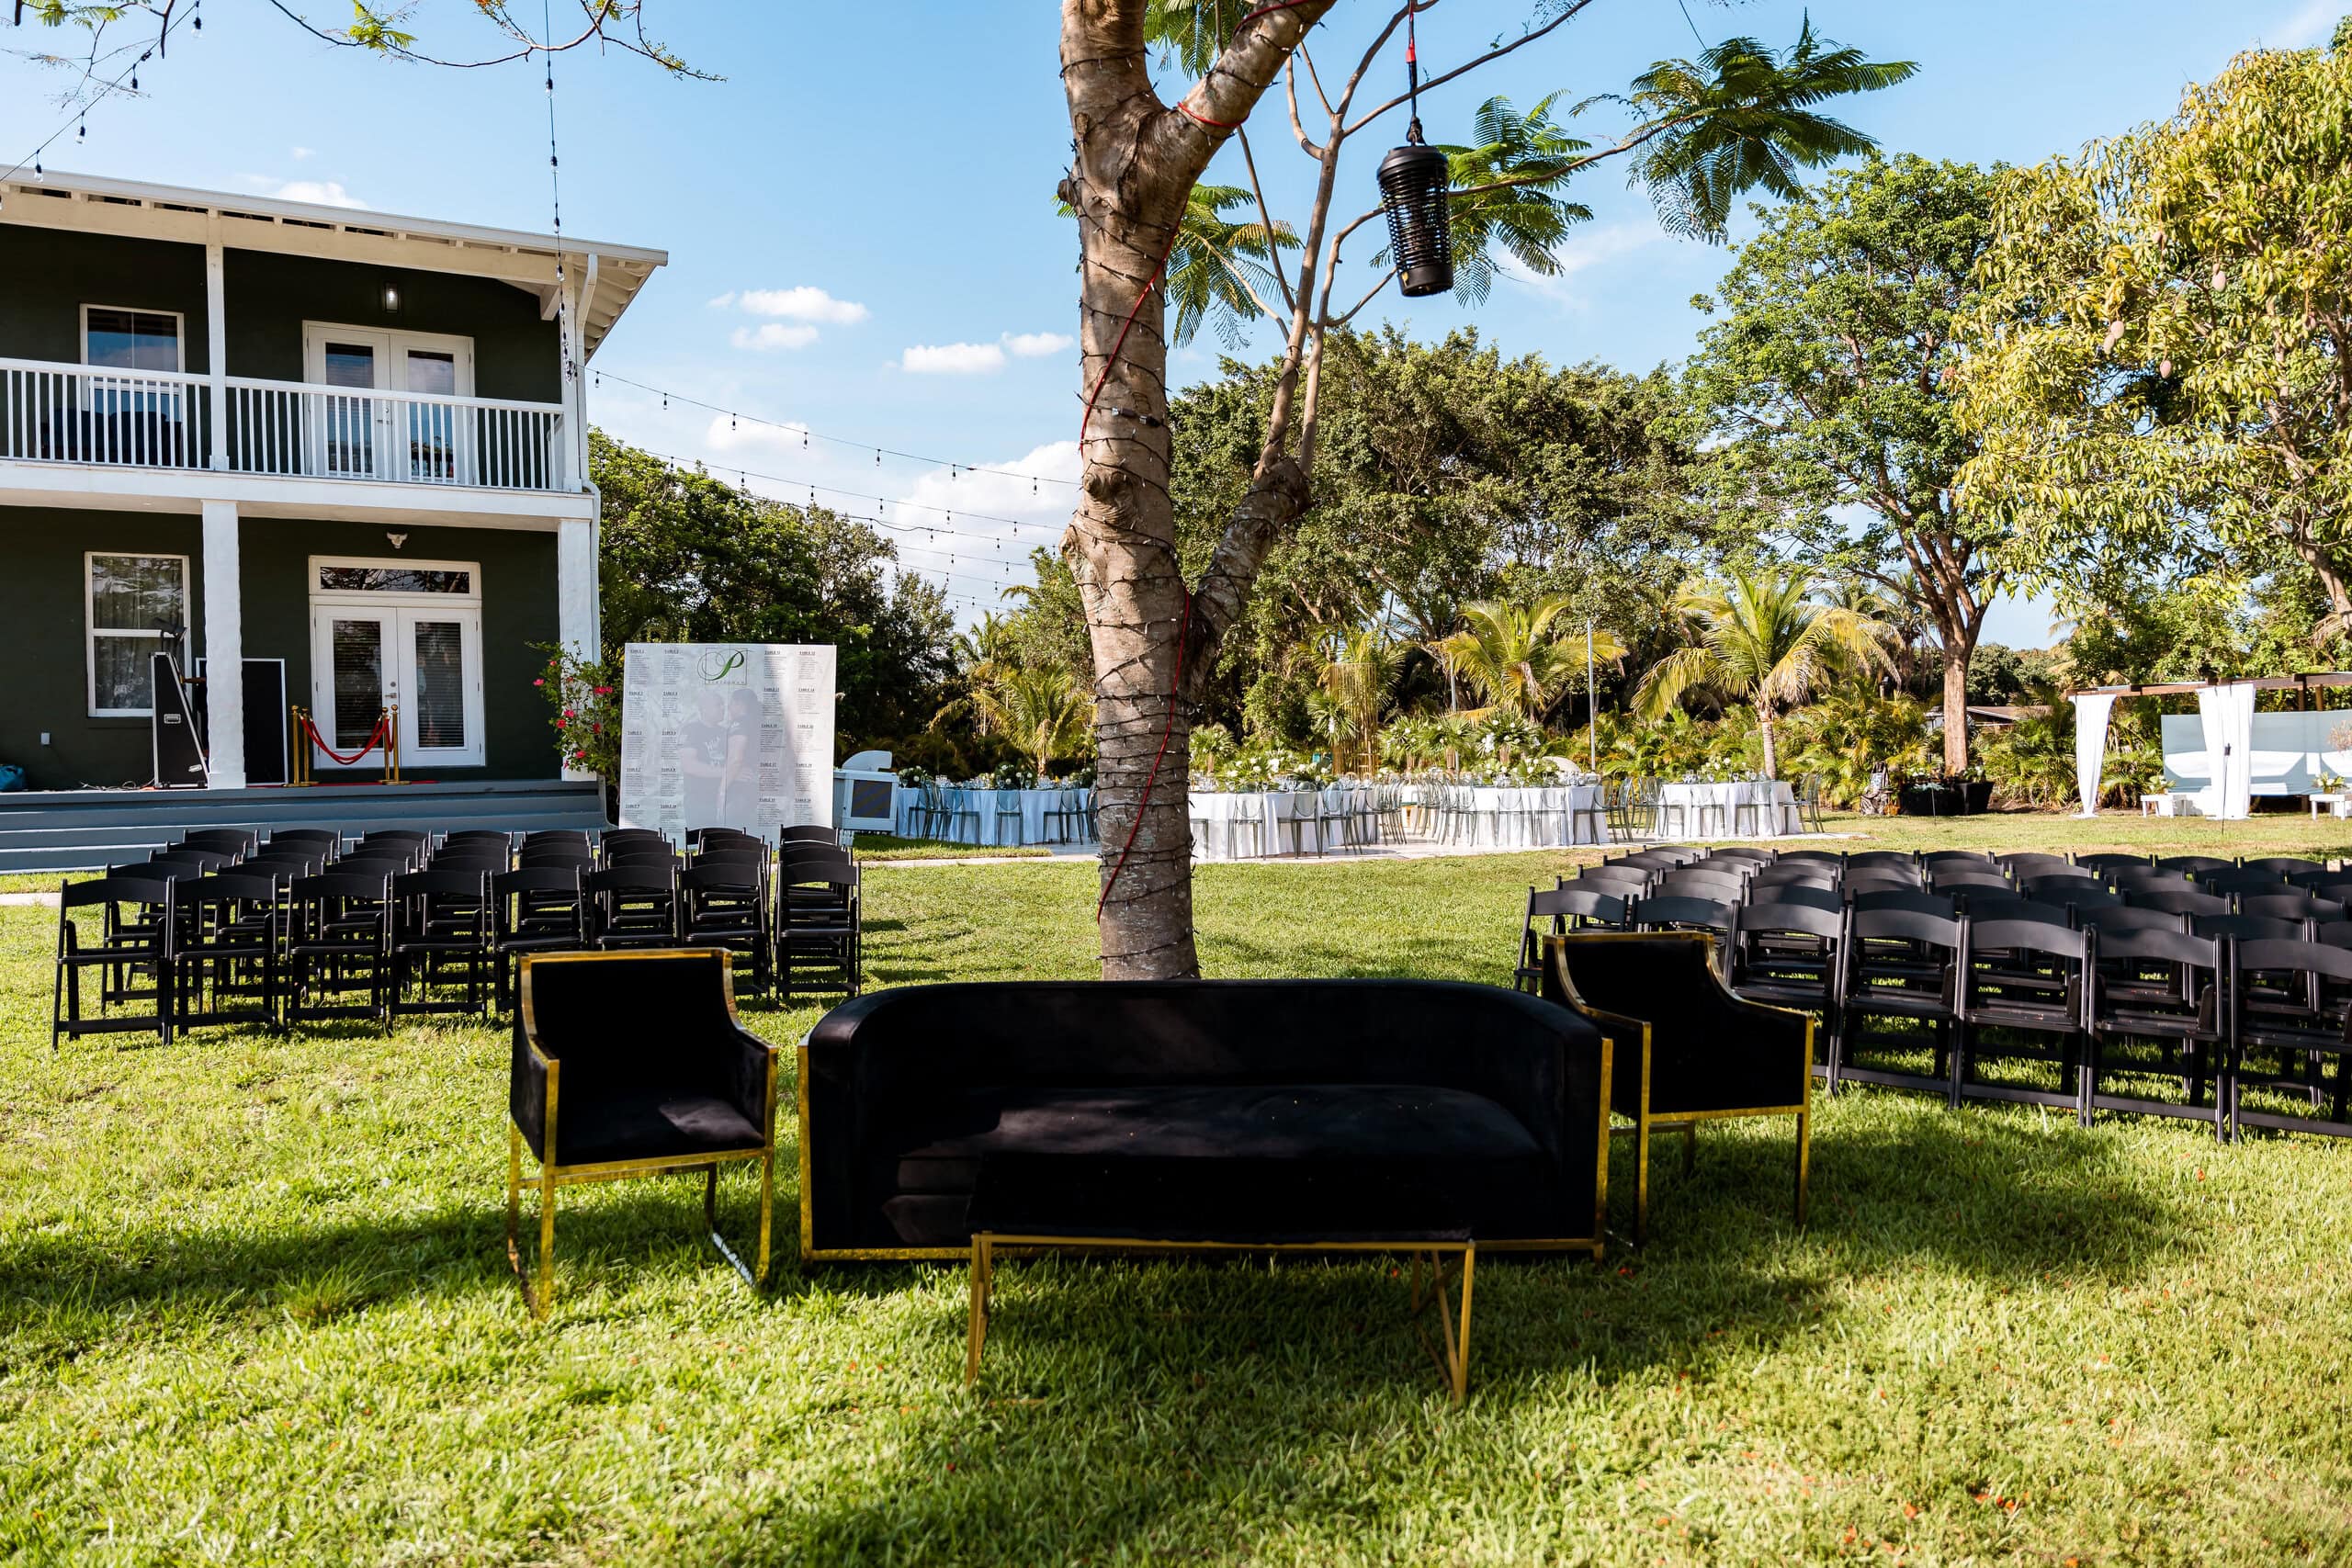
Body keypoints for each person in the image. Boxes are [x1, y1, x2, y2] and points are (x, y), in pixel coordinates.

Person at [678, 689, 729, 828]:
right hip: (699, 800)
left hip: (724, 799)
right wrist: (726, 772)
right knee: (701, 843)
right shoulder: (691, 730)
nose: (723, 708)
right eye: (718, 705)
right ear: (705, 709)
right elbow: (689, 765)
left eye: (723, 704)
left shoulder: (726, 732)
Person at [718, 685, 764, 828]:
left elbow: (735, 759)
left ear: (740, 704)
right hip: (753, 787)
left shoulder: (740, 724)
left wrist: (722, 789)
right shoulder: (757, 723)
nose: (728, 708)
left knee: (730, 834)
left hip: (739, 789)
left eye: (731, 704)